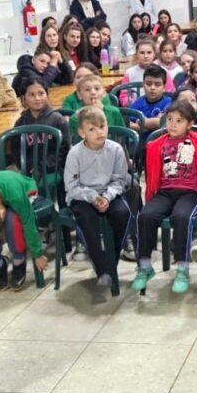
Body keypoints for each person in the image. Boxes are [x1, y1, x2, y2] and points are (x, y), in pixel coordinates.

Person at [133, 100, 197, 294]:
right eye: (169, 119)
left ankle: (183, 268)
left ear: (189, 123)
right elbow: (152, 172)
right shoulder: (156, 144)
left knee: (181, 216)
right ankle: (144, 266)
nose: (173, 124)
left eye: (179, 121)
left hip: (191, 192)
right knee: (145, 215)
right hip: (165, 191)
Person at [64, 106, 132, 287]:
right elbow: (71, 186)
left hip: (109, 193)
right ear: (82, 132)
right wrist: (93, 197)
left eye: (102, 126)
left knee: (122, 213)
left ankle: (113, 260)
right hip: (83, 197)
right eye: (92, 129)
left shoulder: (116, 149)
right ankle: (101, 267)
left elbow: (120, 180)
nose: (99, 132)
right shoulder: (75, 153)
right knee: (87, 219)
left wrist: (107, 197)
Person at [0, 168, 49, 291]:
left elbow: (29, 223)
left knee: (12, 219)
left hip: (21, 188)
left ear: (2, 213)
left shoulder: (16, 196)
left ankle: (18, 259)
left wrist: (38, 254)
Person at [8, 75, 70, 175]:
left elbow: (63, 150)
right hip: (29, 172)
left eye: (41, 93)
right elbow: (16, 151)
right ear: (23, 98)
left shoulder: (58, 120)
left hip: (54, 172)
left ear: (47, 95)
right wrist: (28, 168)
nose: (37, 98)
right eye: (31, 95)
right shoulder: (20, 123)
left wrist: (42, 168)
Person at [13, 25, 67, 96]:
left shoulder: (57, 55)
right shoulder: (26, 67)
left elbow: (67, 80)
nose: (52, 38)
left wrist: (62, 62)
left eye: (54, 35)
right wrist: (52, 66)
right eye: (49, 36)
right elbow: (40, 86)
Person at [131, 66, 173, 133]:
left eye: (157, 84)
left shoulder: (169, 103)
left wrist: (140, 121)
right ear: (143, 85)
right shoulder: (138, 103)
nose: (152, 88)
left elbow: (161, 123)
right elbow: (127, 123)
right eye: (148, 84)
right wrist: (148, 126)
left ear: (164, 87)